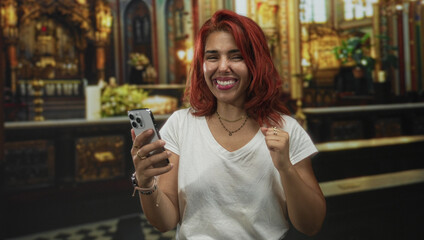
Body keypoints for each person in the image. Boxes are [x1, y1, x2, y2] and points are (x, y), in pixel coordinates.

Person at [130, 10, 326, 239]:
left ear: (256, 63)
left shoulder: (286, 129)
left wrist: (286, 168)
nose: (223, 67)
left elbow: (311, 225)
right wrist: (145, 183)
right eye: (212, 57)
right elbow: (165, 222)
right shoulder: (181, 125)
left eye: (236, 56)